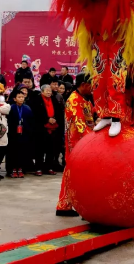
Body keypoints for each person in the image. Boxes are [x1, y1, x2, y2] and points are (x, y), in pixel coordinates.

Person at [56, 72, 95, 216]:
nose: (93, 88)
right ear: (84, 85)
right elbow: (80, 125)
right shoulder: (74, 100)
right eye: (91, 85)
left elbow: (91, 116)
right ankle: (64, 205)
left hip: (84, 142)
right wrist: (93, 139)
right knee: (71, 173)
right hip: (76, 144)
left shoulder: (84, 99)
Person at [32, 85, 63, 176]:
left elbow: (59, 111)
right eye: (47, 91)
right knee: (40, 149)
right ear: (42, 91)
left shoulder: (54, 99)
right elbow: (36, 113)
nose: (49, 92)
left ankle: (49, 167)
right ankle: (38, 168)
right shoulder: (37, 100)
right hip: (41, 128)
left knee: (51, 149)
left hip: (54, 126)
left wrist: (55, 119)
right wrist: (47, 119)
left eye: (50, 91)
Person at [7, 91, 34, 178]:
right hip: (13, 134)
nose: (21, 99)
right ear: (14, 99)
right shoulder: (11, 108)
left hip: (24, 133)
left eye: (22, 97)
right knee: (13, 152)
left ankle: (21, 169)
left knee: (23, 152)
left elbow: (31, 122)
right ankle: (13, 169)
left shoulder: (27, 108)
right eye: (19, 97)